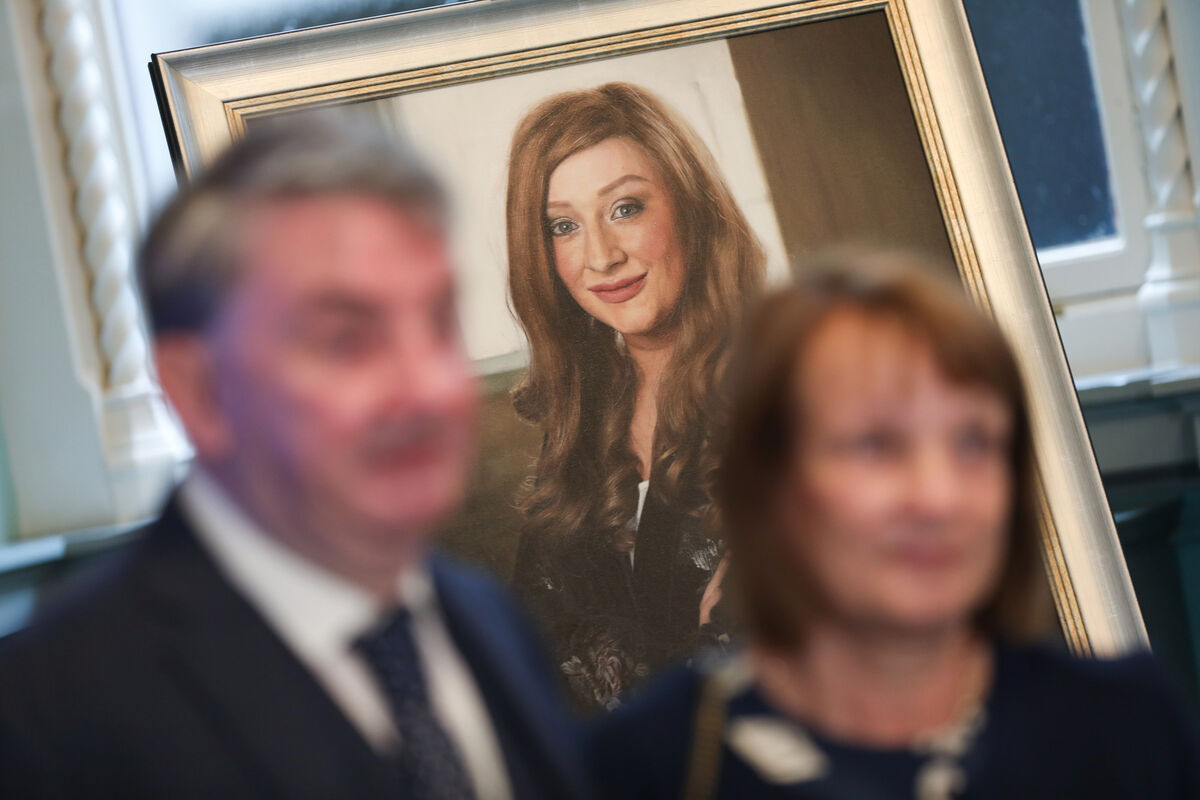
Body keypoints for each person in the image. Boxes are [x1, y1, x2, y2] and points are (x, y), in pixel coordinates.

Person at [0, 113, 585, 800]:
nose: (425, 388)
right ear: (200, 391)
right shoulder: (45, 712)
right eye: (345, 340)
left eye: (438, 323)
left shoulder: (490, 618)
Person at [590, 249, 1200, 798]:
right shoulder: (654, 760)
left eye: (972, 443)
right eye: (878, 445)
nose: (938, 495)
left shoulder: (1122, 722)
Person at [505, 82, 766, 711]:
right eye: (563, 226)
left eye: (625, 208)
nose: (601, 256)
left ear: (691, 207)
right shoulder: (583, 419)